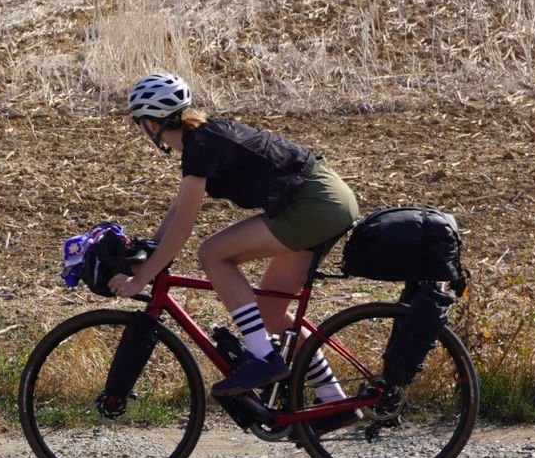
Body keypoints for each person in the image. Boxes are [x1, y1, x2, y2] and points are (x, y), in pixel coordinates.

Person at [109, 73, 361, 418]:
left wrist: (141, 280)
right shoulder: (202, 140)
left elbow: (184, 227)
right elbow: (178, 211)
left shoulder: (200, 144)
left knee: (212, 253)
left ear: (151, 124)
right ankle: (333, 399)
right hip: (327, 198)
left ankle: (262, 358)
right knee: (271, 312)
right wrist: (150, 250)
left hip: (314, 204)